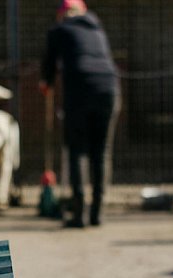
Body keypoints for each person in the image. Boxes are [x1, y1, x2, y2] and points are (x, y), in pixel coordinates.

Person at [40, 0, 119, 228]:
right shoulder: (97, 28)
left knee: (77, 150)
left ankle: (79, 213)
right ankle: (97, 212)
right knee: (101, 151)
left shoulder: (60, 29)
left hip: (80, 90)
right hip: (109, 90)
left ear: (62, 14)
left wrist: (46, 82)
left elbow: (49, 64)